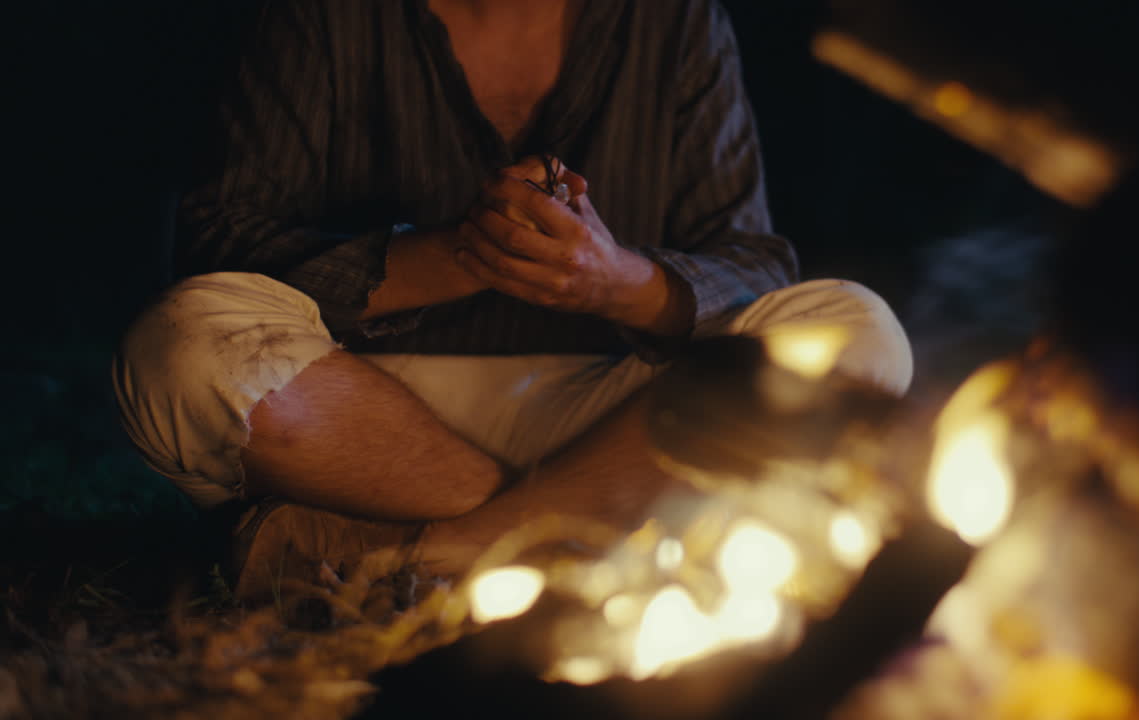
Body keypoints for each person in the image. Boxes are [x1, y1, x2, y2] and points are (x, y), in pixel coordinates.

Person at [113, 0, 912, 599]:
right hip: (359, 413)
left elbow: (759, 266)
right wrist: (462, 254)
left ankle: (413, 559)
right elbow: (220, 244)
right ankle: (580, 535)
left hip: (616, 417)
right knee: (178, 343)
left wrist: (614, 279)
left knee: (858, 337)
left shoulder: (673, 21)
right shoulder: (327, 15)